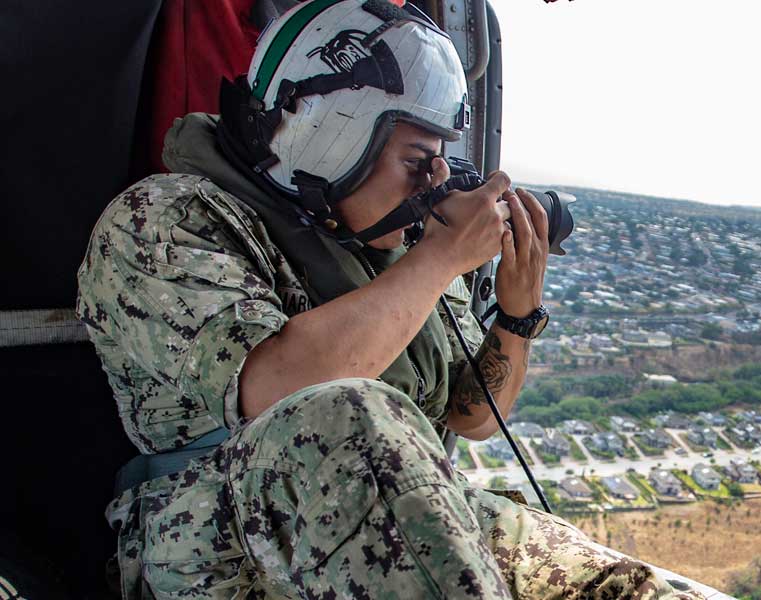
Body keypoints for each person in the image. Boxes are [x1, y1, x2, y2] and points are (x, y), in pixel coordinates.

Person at [76, 0, 703, 597]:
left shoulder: (398, 258)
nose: (434, 183)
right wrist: (441, 257)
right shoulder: (165, 219)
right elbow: (279, 390)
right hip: (222, 542)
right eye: (417, 159)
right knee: (347, 411)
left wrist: (516, 314)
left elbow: (472, 418)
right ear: (327, 135)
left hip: (411, 518)